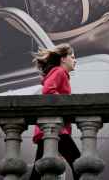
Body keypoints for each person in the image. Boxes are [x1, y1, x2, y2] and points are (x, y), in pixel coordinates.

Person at [30, 44, 80, 180]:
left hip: (49, 129)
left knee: (37, 172)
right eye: (73, 57)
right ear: (63, 59)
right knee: (79, 164)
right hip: (56, 129)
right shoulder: (59, 71)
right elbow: (48, 91)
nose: (75, 60)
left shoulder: (60, 73)